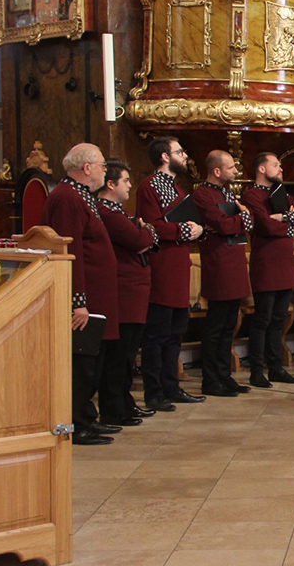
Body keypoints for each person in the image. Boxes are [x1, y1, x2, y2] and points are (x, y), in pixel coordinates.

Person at [41, 143, 121, 446]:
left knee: (91, 362)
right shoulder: (67, 198)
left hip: (96, 297)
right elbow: (70, 251)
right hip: (82, 301)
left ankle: (86, 416)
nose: (104, 170)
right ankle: (76, 422)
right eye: (101, 165)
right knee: (81, 363)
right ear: (86, 168)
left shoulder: (80, 196)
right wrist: (78, 302)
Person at [137, 137, 206, 410]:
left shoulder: (176, 187)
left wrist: (196, 228)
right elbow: (152, 227)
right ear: (165, 156)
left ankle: (171, 385)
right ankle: (154, 392)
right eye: (180, 151)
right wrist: (186, 230)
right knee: (157, 334)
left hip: (179, 267)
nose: (185, 155)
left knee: (176, 332)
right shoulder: (149, 187)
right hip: (162, 267)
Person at [96, 160, 159, 426]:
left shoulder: (119, 212)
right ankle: (115, 407)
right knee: (118, 355)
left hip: (133, 290)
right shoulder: (107, 212)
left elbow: (146, 237)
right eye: (125, 181)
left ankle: (125, 403)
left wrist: (145, 232)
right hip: (123, 291)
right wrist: (145, 231)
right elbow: (138, 240)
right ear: (110, 184)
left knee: (128, 352)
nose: (130, 185)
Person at [192, 150, 254, 397]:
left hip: (234, 262)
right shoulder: (202, 195)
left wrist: (241, 220)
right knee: (216, 326)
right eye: (231, 168)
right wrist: (244, 217)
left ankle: (224, 375)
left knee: (229, 324)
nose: (236, 172)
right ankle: (211, 379)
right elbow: (224, 224)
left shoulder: (227, 192)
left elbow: (237, 225)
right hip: (218, 264)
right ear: (216, 171)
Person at [241, 152, 294, 388]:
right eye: (275, 165)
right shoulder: (251, 195)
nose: (281, 169)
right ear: (261, 169)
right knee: (262, 319)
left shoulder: (282, 194)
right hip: (266, 265)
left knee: (278, 319)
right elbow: (265, 225)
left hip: (284, 264)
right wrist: (286, 222)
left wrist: (282, 217)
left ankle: (276, 367)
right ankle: (257, 371)